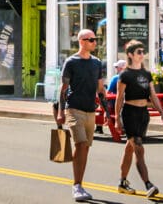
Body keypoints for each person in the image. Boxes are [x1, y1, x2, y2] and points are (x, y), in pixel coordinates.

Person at [57, 29, 106, 202]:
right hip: (74, 108)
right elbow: (63, 89)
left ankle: (80, 184)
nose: (95, 42)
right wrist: (61, 112)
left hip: (90, 110)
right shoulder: (71, 62)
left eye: (96, 39)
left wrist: (106, 111)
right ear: (82, 41)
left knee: (86, 148)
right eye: (91, 40)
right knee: (81, 143)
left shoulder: (97, 63)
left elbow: (101, 89)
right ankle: (76, 186)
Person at [115, 40, 163, 197]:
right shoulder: (125, 75)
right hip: (130, 113)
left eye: (143, 51)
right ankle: (148, 184)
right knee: (139, 148)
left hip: (143, 114)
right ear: (130, 55)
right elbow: (119, 98)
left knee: (130, 148)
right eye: (139, 52)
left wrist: (162, 113)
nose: (142, 54)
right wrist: (117, 118)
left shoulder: (146, 74)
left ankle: (122, 182)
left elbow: (153, 94)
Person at [102, 59, 128, 134]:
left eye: (117, 67)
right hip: (128, 102)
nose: (116, 68)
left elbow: (108, 92)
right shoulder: (131, 77)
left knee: (102, 104)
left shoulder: (116, 78)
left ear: (121, 68)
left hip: (115, 102)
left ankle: (102, 124)